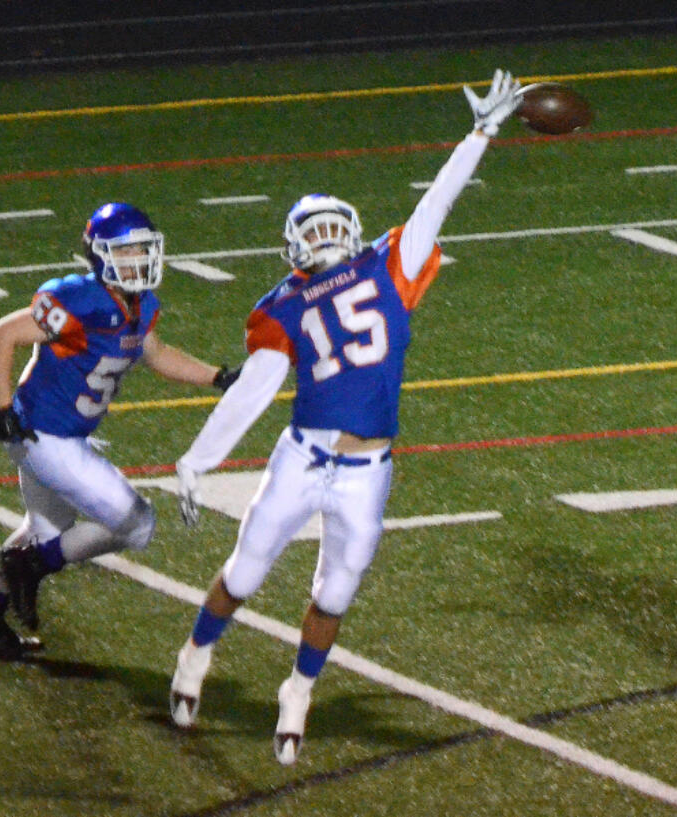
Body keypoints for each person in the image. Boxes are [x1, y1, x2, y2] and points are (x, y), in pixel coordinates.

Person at [167, 69, 522, 763]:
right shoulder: (284, 304)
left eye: (335, 224)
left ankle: (298, 689)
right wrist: (199, 456)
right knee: (243, 573)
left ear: (353, 230)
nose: (328, 235)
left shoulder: (391, 262)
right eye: (315, 228)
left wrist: (482, 133)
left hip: (367, 468)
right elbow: (255, 388)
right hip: (303, 456)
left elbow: (438, 202)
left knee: (335, 592)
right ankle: (193, 658)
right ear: (293, 245)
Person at [0, 202, 240, 659]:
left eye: (144, 250)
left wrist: (217, 377)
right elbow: (0, 334)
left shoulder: (141, 306)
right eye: (126, 252)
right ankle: (33, 565)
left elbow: (156, 354)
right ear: (102, 255)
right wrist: (1, 409)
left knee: (48, 525)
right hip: (42, 434)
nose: (138, 260)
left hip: (57, 433)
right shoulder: (80, 299)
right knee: (137, 524)